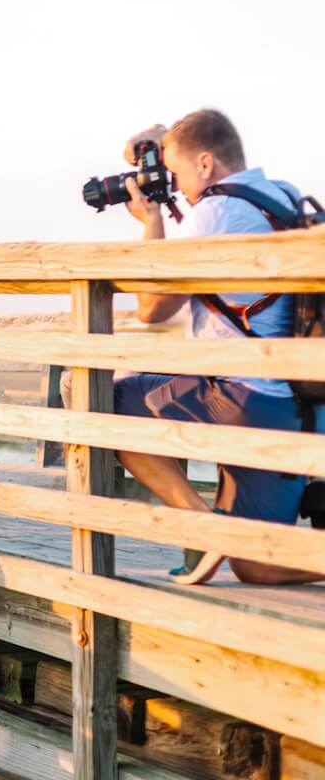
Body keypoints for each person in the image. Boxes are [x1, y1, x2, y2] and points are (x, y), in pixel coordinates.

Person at [114, 108, 323, 586]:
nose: (179, 188)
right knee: (255, 565)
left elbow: (152, 309)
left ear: (206, 164)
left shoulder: (214, 211)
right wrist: (158, 142)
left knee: (115, 400)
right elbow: (193, 138)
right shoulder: (285, 195)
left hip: (240, 399)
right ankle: (225, 541)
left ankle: (201, 528)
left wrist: (150, 221)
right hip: (299, 406)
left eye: (180, 174)